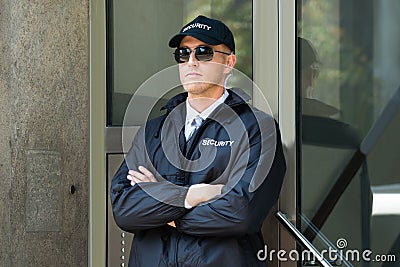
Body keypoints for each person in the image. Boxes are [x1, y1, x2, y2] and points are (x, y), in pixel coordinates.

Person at [110, 15, 286, 266]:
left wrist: (161, 206)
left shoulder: (257, 128)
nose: (191, 61)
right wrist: (192, 196)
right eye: (183, 54)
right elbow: (125, 210)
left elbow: (241, 213)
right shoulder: (153, 130)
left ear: (229, 63)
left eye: (203, 52)